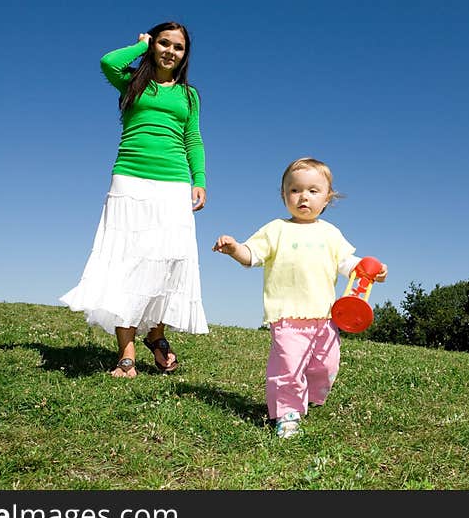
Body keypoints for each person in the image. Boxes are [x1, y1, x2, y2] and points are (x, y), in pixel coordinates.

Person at [61, 21, 209, 378]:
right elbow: (108, 62)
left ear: (185, 54)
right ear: (153, 44)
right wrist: (139, 47)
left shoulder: (189, 96)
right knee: (127, 261)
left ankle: (156, 335)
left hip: (173, 183)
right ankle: (126, 351)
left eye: (178, 47)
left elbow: (194, 138)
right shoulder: (132, 81)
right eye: (164, 43)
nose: (170, 51)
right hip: (130, 179)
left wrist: (199, 179)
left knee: (167, 261)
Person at [212, 157, 387, 438]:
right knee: (288, 367)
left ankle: (313, 396)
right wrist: (234, 248)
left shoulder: (330, 233)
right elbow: (252, 255)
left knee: (326, 365)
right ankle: (287, 412)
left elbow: (348, 264)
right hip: (287, 315)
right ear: (284, 195)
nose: (303, 196)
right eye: (295, 190)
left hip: (326, 316)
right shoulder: (276, 229)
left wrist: (371, 270)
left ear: (327, 198)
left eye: (313, 191)